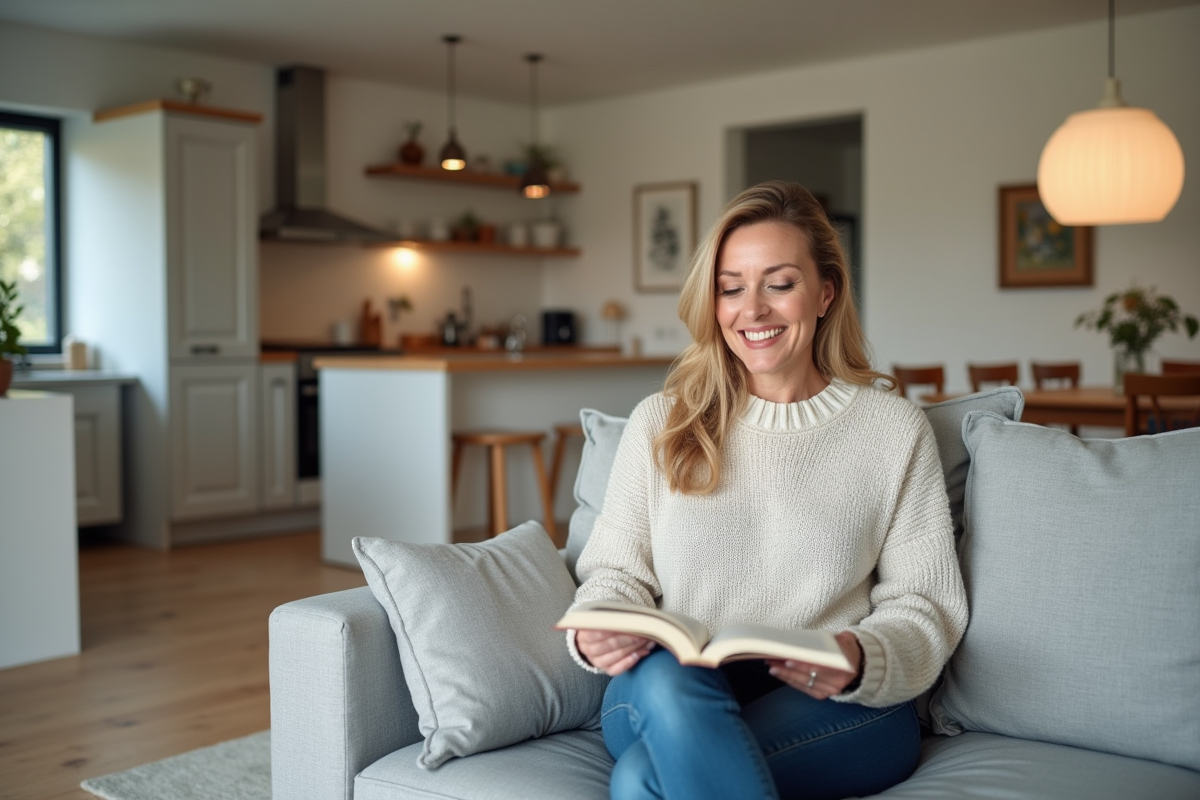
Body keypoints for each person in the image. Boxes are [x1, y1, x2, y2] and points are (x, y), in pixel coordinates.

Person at [566, 181, 968, 800]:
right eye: (731, 288)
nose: (752, 310)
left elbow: (925, 604)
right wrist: (600, 627)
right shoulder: (662, 422)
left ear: (825, 293)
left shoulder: (892, 431)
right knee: (667, 682)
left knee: (643, 779)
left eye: (779, 284)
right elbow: (615, 574)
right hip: (668, 688)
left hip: (839, 700)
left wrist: (862, 656)